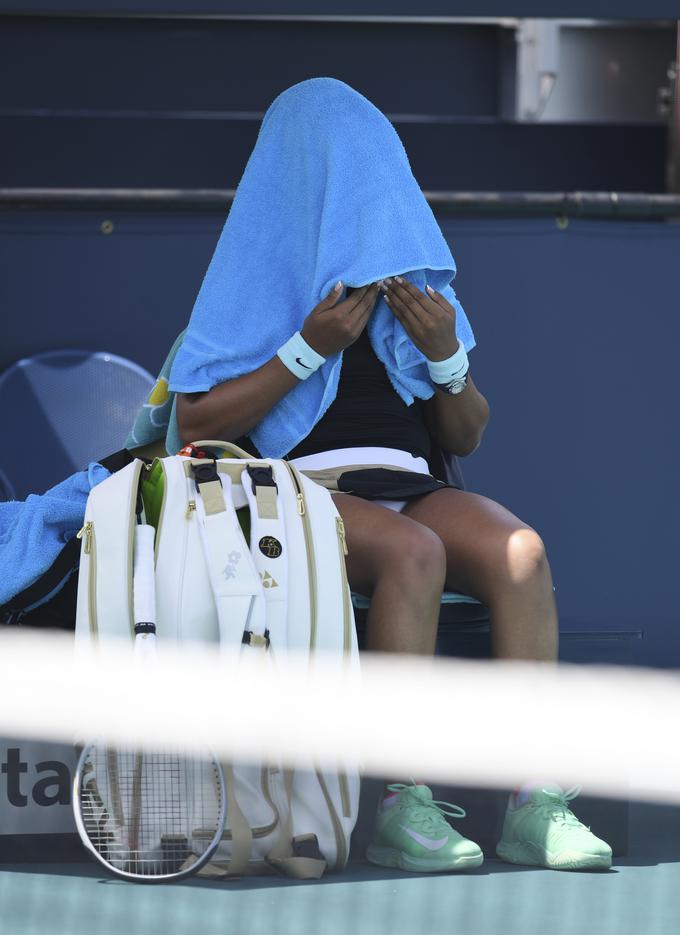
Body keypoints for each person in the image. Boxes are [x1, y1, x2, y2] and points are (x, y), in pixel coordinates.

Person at [170, 77, 612, 873]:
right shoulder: (261, 275)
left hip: (409, 480)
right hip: (298, 494)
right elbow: (197, 424)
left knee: (523, 553)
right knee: (414, 553)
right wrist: (308, 347)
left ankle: (533, 801)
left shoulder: (413, 289)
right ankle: (401, 802)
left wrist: (447, 359)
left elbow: (464, 431)